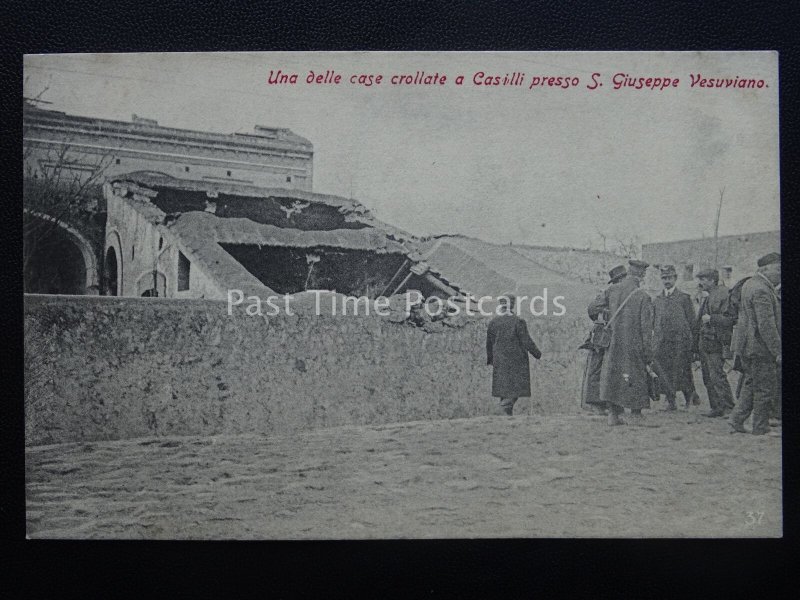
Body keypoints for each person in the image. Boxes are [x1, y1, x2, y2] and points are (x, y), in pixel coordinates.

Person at [598, 259, 657, 427]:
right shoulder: (643, 296)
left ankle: (613, 415)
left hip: (614, 343)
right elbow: (646, 329)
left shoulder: (612, 290)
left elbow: (593, 308)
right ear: (642, 274)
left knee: (614, 377)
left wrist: (604, 317)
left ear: (629, 272)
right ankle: (636, 414)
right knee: (636, 377)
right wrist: (648, 353)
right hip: (633, 345)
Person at [729, 253, 781, 435]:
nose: (780, 274)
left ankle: (736, 420)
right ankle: (760, 427)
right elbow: (766, 324)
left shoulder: (751, 284)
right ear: (764, 269)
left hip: (748, 347)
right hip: (760, 348)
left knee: (751, 385)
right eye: (778, 269)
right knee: (764, 388)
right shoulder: (761, 289)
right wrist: (778, 351)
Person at [652, 265, 700, 410]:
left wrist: (693, 344)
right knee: (665, 371)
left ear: (675, 278)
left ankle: (690, 396)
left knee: (682, 370)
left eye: (669, 278)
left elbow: (692, 322)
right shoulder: (657, 300)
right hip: (663, 342)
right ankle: (670, 400)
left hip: (681, 342)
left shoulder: (684, 298)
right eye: (664, 278)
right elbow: (655, 321)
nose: (667, 281)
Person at [580, 264, 627, 413]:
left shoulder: (627, 295)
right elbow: (592, 309)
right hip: (604, 338)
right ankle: (596, 404)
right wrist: (605, 314)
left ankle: (612, 404)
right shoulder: (608, 293)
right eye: (620, 279)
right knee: (598, 368)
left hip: (620, 337)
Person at [486, 295, 542, 415]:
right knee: (513, 392)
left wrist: (491, 360)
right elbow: (526, 341)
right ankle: (500, 412)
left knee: (504, 391)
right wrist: (537, 354)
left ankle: (506, 418)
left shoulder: (493, 322)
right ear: (512, 305)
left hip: (500, 362)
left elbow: (489, 344)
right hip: (516, 362)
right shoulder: (518, 321)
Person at [694, 268, 736, 417]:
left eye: (703, 279)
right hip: (705, 343)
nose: (700, 283)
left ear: (712, 280)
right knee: (708, 377)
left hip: (716, 342)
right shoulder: (708, 296)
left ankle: (729, 408)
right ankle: (717, 407)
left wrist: (712, 319)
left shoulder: (724, 294)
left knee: (717, 376)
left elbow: (731, 319)